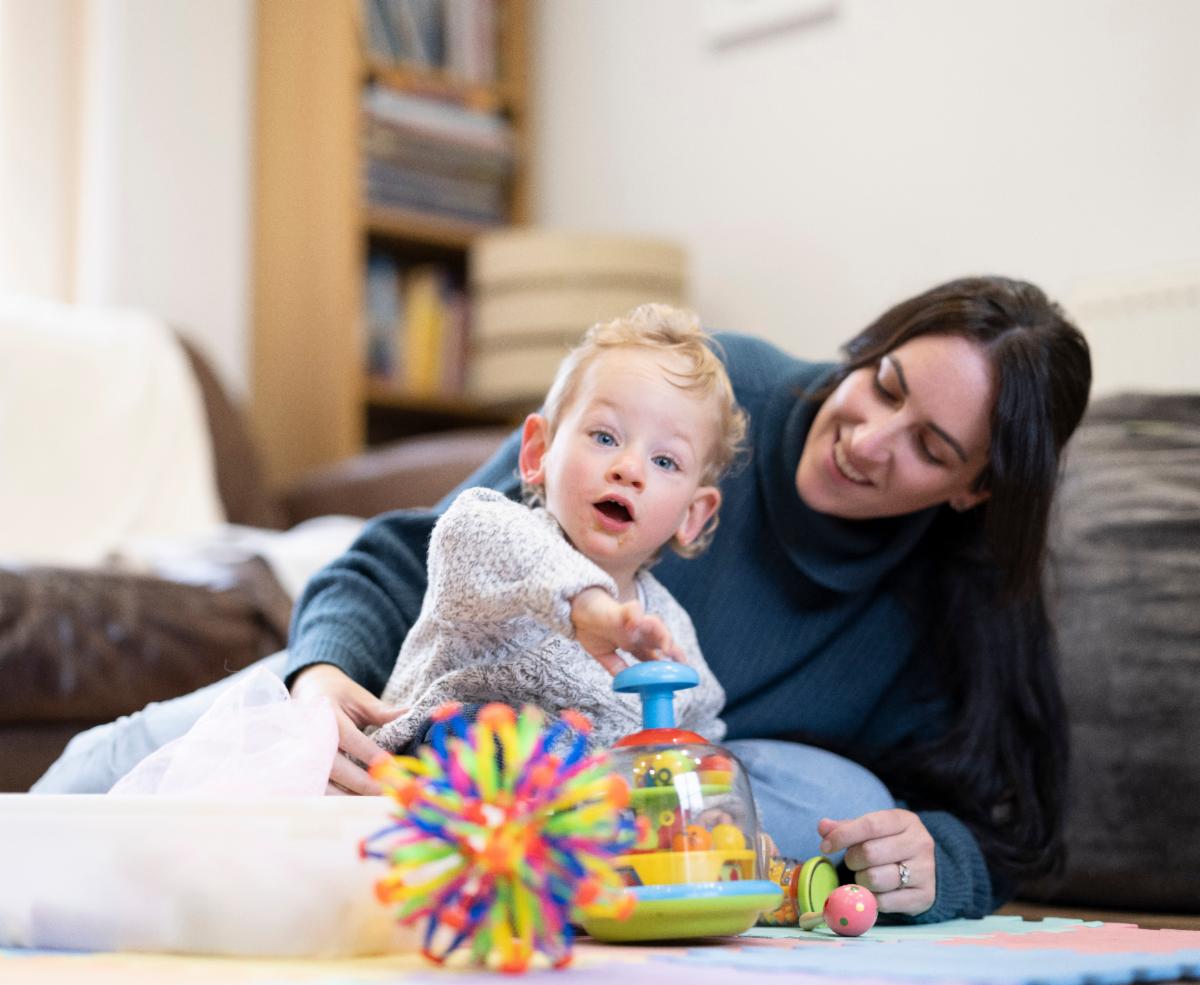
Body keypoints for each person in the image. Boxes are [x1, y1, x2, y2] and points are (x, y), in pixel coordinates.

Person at [35, 275, 1091, 929]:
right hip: (427, 684)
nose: (869, 438)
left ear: (975, 489)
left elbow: (997, 821)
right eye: (887, 385)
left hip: (606, 778)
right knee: (158, 756)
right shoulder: (693, 396)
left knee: (832, 784)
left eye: (929, 446)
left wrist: (935, 864)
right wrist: (321, 680)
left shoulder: (946, 602)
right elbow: (430, 545)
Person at [371, 304, 745, 752]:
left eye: (664, 461)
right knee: (506, 729)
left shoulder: (669, 630)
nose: (629, 469)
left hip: (583, 806)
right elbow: (470, 532)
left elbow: (701, 727)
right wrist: (588, 606)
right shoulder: (494, 536)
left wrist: (712, 798)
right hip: (429, 773)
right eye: (605, 437)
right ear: (537, 453)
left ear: (692, 515)